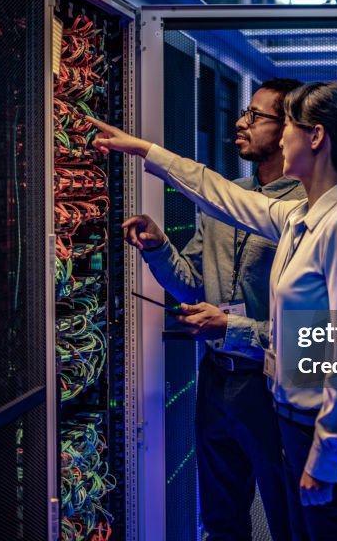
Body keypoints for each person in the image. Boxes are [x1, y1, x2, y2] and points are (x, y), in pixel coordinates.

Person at [88, 81, 337, 541]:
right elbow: (216, 192)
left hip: (328, 437)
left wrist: (325, 459)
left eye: (288, 127)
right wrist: (142, 150)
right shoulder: (300, 218)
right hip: (296, 425)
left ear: (315, 137)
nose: (280, 139)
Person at [122, 78, 305, 541]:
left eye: (255, 115)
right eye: (243, 112)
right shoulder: (223, 202)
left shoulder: (307, 211)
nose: (240, 123)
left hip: (273, 385)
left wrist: (232, 326)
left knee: (289, 519)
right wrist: (158, 247)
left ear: (288, 130)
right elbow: (191, 287)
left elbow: (311, 331)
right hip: (218, 381)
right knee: (220, 522)